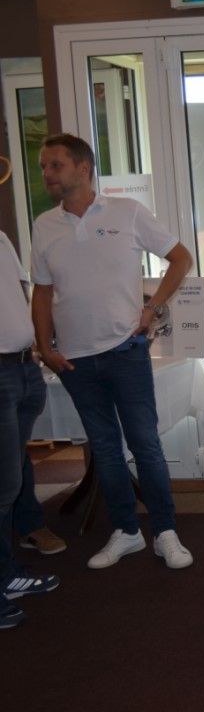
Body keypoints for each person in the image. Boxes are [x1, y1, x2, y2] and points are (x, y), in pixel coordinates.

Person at [30, 133, 195, 570]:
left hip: (125, 349)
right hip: (74, 360)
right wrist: (45, 347)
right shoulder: (44, 225)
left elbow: (181, 258)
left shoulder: (127, 211)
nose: (47, 173)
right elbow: (42, 292)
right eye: (44, 166)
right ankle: (126, 531)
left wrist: (153, 308)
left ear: (83, 168)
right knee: (104, 449)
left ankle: (165, 532)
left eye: (55, 165)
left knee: (145, 444)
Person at [1, 231, 59, 629]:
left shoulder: (2, 239)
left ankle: (6, 574)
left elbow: (22, 293)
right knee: (3, 487)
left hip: (22, 366)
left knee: (11, 481)